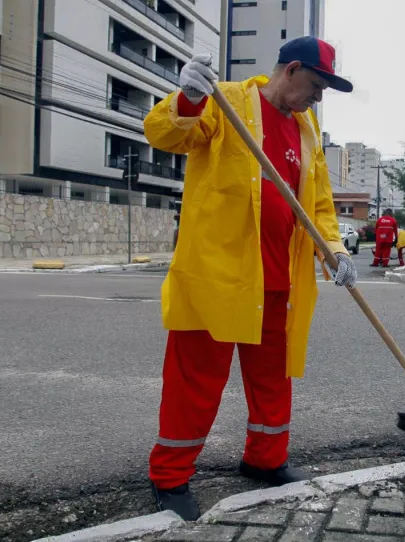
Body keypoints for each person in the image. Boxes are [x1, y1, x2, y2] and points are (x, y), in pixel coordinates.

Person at [143, 37, 357, 521]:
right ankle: (170, 477)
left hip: (280, 279)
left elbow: (318, 204)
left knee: (273, 379)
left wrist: (336, 248)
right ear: (293, 69)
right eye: (317, 86)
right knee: (194, 381)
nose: (318, 98)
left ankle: (266, 459)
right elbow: (165, 134)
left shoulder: (307, 132)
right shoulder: (229, 102)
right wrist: (190, 99)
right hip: (217, 279)